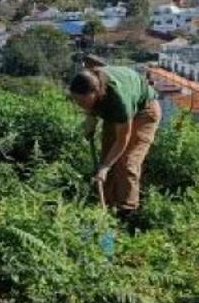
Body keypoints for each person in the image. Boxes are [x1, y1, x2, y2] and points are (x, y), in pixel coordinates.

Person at [68, 66, 161, 216]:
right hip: (116, 110)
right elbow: (89, 106)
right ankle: (106, 206)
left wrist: (105, 167)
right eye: (77, 101)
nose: (80, 104)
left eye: (83, 101)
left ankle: (127, 212)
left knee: (127, 161)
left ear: (96, 92)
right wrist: (90, 118)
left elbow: (122, 141)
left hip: (144, 112)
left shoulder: (119, 101)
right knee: (107, 157)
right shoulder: (91, 80)